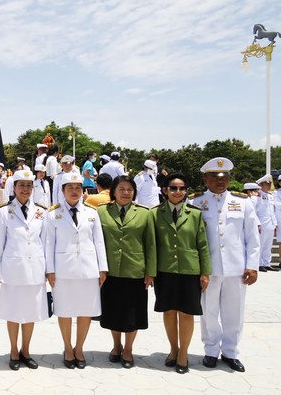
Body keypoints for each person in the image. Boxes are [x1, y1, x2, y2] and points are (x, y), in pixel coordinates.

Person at [188, 157, 260, 372]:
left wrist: (253, 265)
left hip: (236, 268)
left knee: (234, 312)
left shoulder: (243, 202)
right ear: (205, 179)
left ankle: (231, 352)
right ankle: (211, 350)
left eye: (224, 177)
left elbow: (252, 237)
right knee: (208, 311)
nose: (220, 181)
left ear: (229, 178)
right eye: (215, 177)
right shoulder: (196, 202)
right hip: (208, 269)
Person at [45, 173, 107, 369]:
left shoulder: (91, 212)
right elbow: (49, 243)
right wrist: (50, 270)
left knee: (85, 311)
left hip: (88, 269)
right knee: (64, 310)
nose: (74, 191)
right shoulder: (53, 213)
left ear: (83, 191)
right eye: (69, 188)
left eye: (78, 188)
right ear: (63, 191)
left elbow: (99, 241)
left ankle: (79, 348)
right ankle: (67, 348)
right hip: (63, 270)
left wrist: (103, 267)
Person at [152, 173, 211, 374]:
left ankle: (184, 353)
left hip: (189, 269)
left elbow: (203, 245)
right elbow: (151, 245)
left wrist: (205, 272)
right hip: (164, 269)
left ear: (186, 191)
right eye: (173, 188)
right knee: (168, 312)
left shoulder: (195, 214)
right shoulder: (155, 213)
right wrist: (150, 272)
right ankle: (173, 349)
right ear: (165, 190)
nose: (178, 192)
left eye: (182, 188)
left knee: (186, 313)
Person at [97, 175, 156, 369]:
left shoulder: (144, 213)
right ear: (113, 191)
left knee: (133, 313)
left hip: (135, 270)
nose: (125, 193)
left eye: (129, 189)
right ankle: (116, 345)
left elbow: (151, 244)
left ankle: (129, 349)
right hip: (110, 270)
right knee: (113, 311)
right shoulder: (101, 212)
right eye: (121, 189)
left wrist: (150, 271)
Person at [0, 170, 49, 371]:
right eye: (21, 185)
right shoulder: (3, 211)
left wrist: (47, 269)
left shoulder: (42, 212)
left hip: (35, 268)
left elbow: (45, 243)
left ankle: (26, 350)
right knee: (13, 311)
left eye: (29, 185)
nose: (25, 189)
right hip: (13, 268)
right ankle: (13, 350)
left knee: (30, 311)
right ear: (14, 188)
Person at [255, 174, 278, 272]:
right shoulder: (257, 196)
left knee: (268, 245)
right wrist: (257, 224)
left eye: (270, 184)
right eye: (266, 184)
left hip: (270, 224)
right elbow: (254, 211)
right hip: (262, 224)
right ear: (261, 185)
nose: (269, 186)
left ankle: (266, 263)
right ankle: (259, 264)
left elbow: (272, 211)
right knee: (260, 244)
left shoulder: (270, 196)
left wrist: (275, 223)